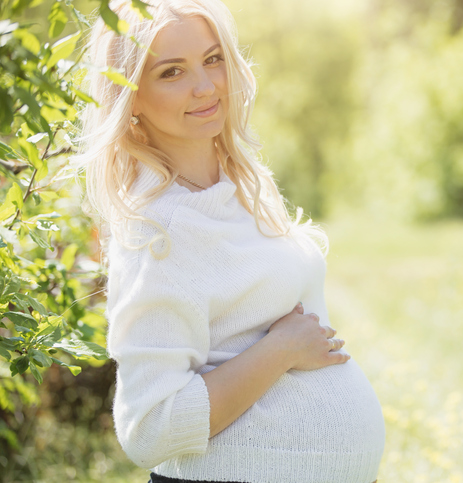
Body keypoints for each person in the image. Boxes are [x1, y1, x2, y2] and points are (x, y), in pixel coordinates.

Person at [72, 0, 385, 482]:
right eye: (172, 72)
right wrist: (280, 351)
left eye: (213, 59)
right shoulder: (159, 232)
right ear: (130, 98)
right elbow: (150, 429)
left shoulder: (237, 187)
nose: (205, 86)